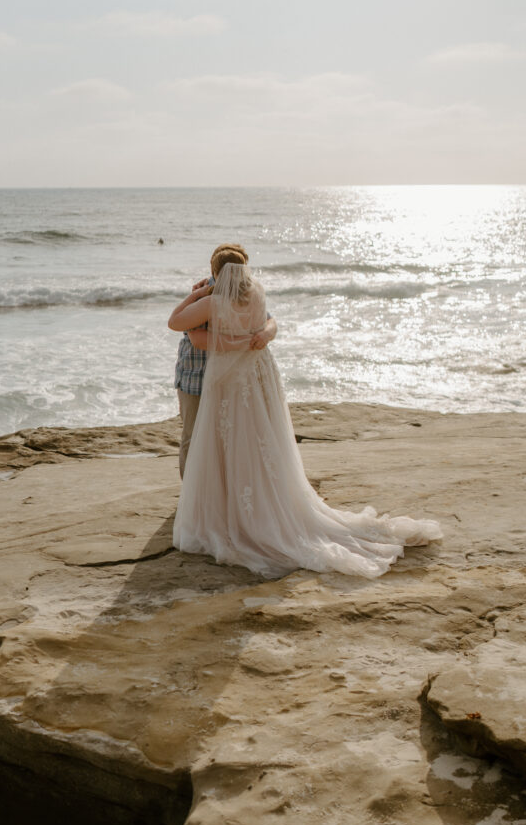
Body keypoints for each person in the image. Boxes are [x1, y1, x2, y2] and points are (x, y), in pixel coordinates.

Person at [168, 260, 442, 580]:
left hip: (218, 383)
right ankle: (213, 505)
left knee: (210, 444)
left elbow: (188, 328)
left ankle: (207, 510)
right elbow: (259, 323)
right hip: (228, 383)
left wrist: (201, 304)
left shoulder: (215, 300)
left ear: (217, 270)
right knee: (230, 445)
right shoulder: (244, 295)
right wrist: (253, 335)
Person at [173, 244, 277, 477]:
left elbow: (268, 319)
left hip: (226, 378)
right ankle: (192, 493)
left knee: (221, 439)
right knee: (193, 436)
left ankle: (216, 495)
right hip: (197, 375)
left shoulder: (247, 294)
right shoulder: (207, 294)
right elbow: (196, 337)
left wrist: (265, 334)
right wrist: (245, 342)